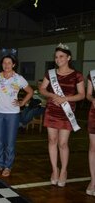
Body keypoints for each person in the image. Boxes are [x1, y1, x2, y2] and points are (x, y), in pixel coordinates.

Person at [39, 43, 85, 187]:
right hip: (52, 110)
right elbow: (42, 89)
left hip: (67, 111)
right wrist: (52, 95)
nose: (58, 59)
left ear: (68, 58)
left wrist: (65, 98)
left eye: (61, 56)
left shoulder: (77, 75)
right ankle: (55, 170)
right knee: (52, 141)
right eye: (56, 57)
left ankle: (64, 170)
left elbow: (82, 95)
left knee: (63, 143)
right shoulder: (50, 73)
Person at [0, 55, 33, 177]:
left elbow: (30, 92)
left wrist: (22, 103)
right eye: (4, 63)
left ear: (14, 64)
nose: (6, 65)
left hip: (13, 114)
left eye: (9, 63)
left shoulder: (19, 79)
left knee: (9, 142)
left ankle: (8, 166)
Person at [86, 70, 95, 195]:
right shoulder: (92, 74)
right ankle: (93, 180)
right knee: (93, 148)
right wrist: (93, 99)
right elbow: (88, 94)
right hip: (94, 114)